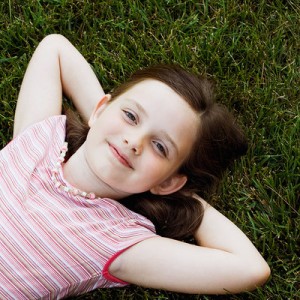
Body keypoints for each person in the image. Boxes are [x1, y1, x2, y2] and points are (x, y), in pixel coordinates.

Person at [0, 34, 270, 299]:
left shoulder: (117, 239)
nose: (134, 141)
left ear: (168, 182)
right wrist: (103, 120)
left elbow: (250, 268)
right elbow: (55, 48)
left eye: (160, 147)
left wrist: (183, 196)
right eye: (130, 116)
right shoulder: (39, 135)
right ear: (101, 109)